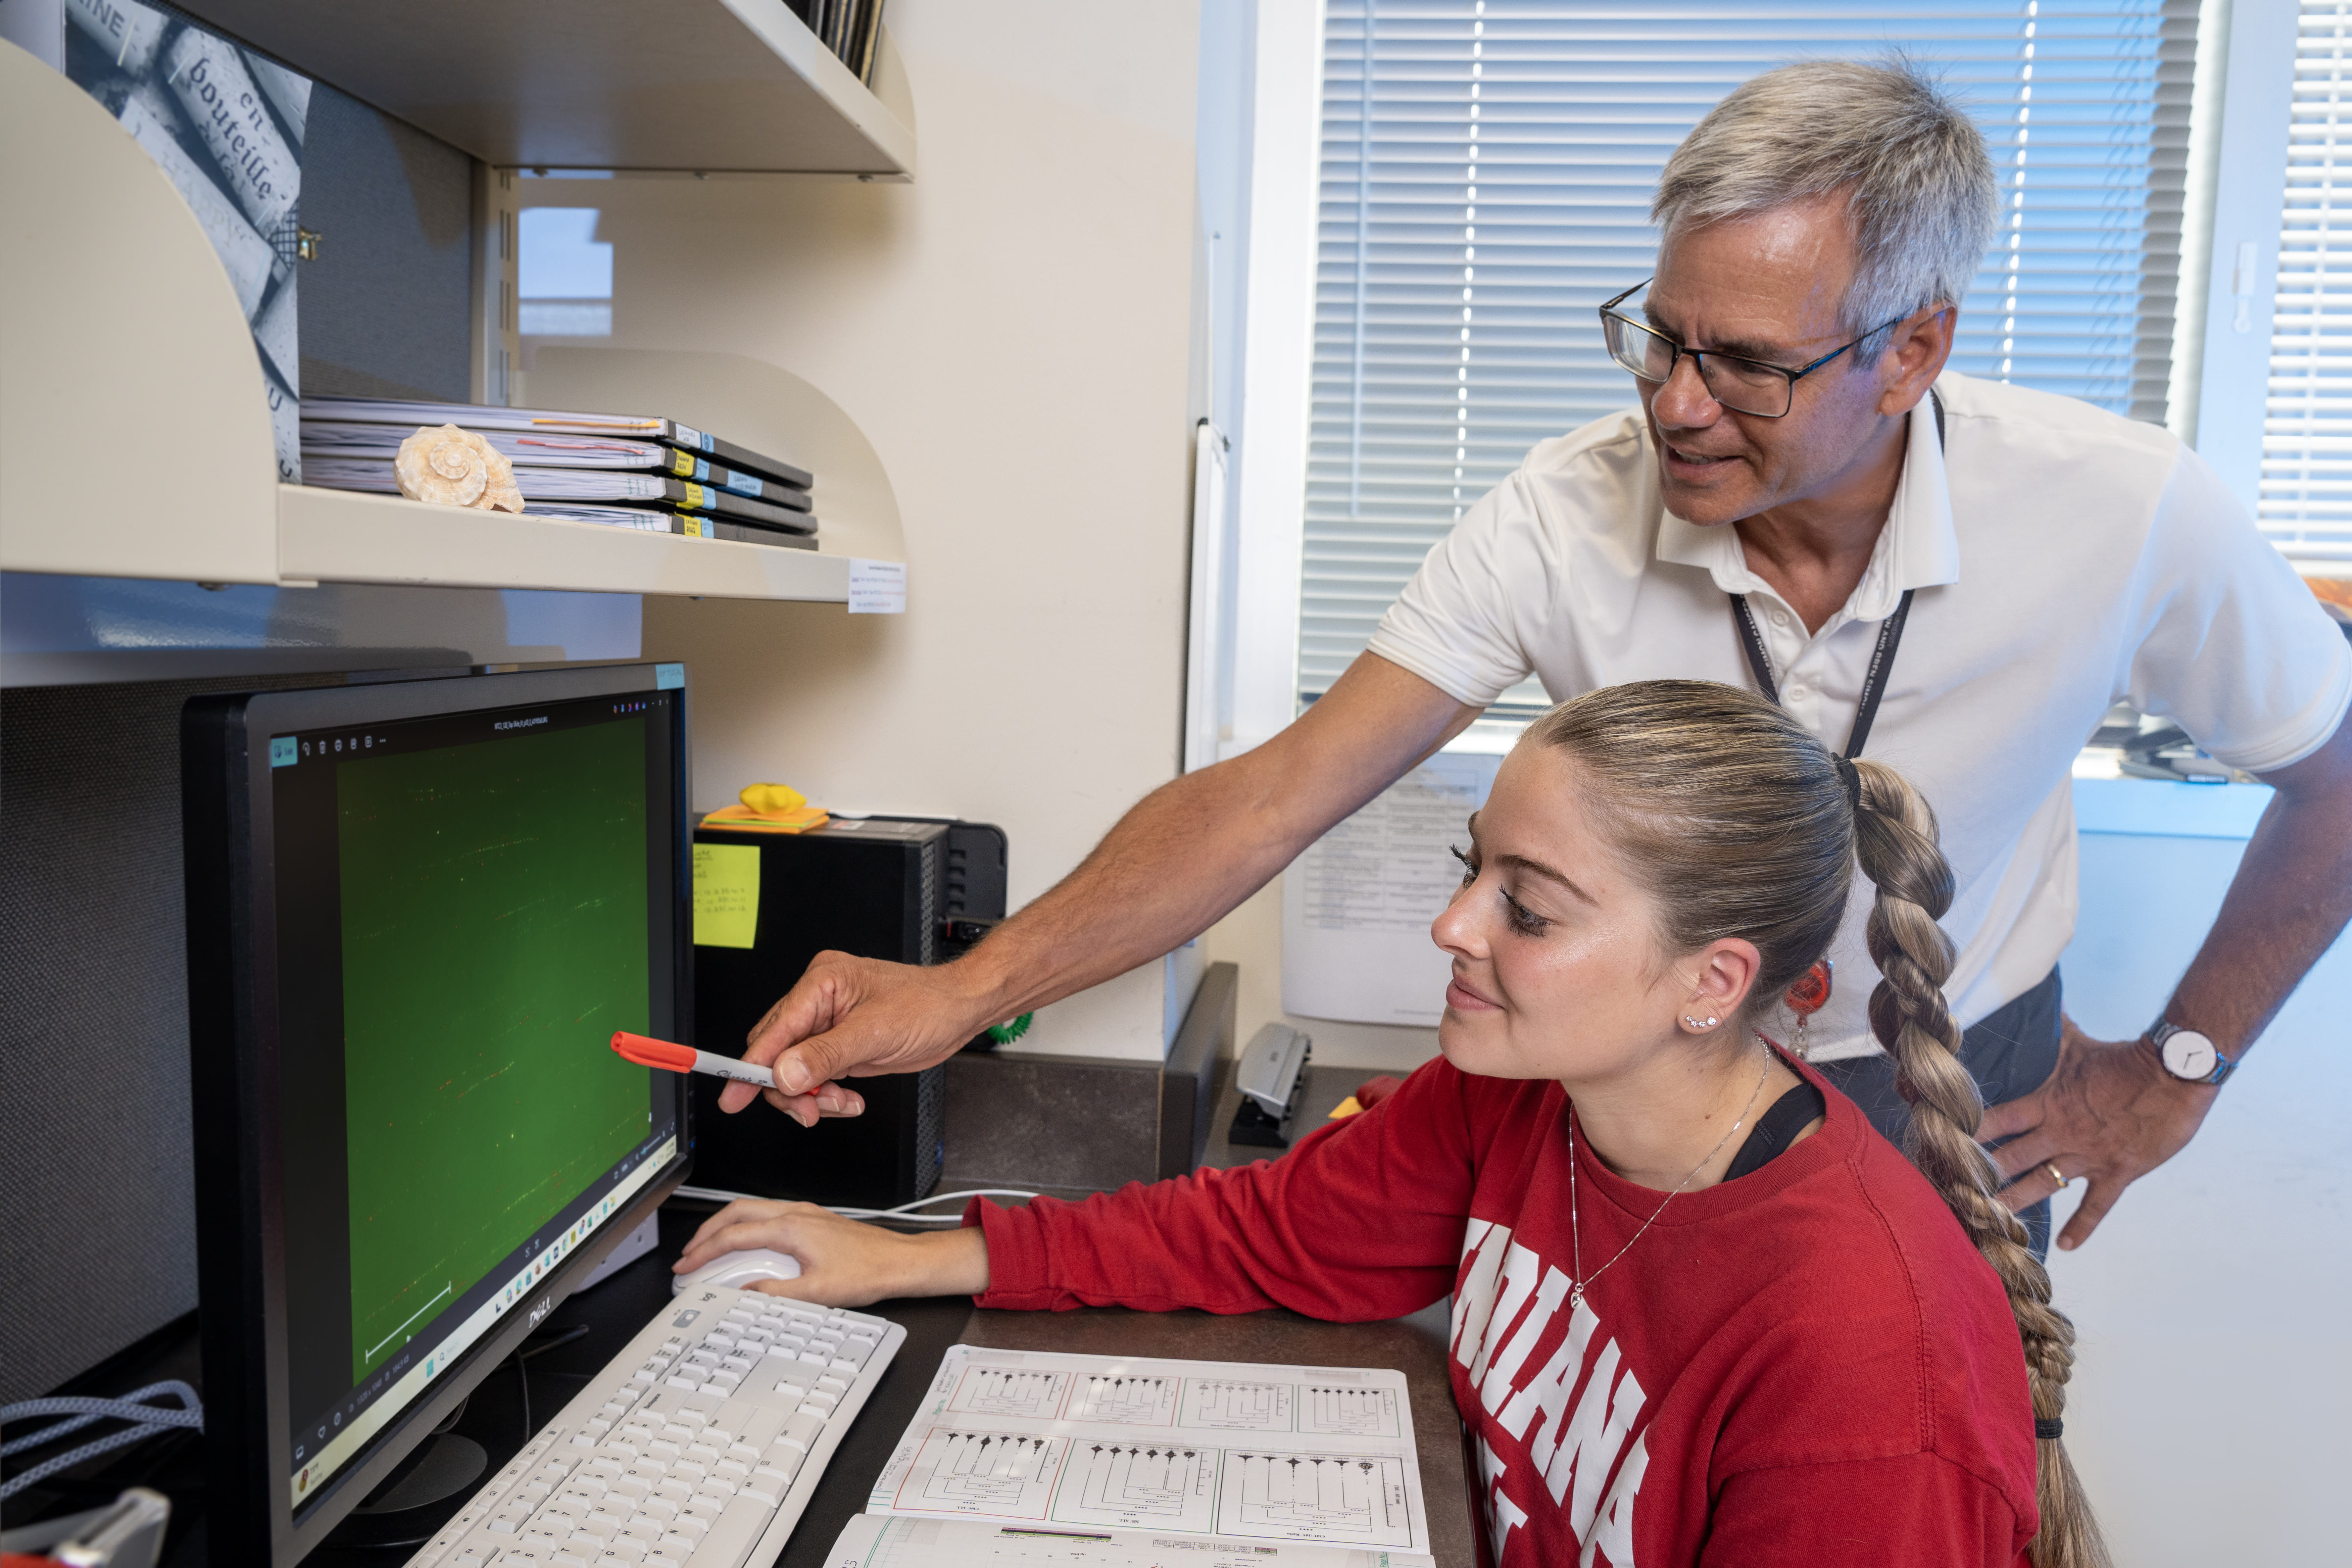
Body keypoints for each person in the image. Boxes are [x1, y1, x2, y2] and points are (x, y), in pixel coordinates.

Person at [727, 60, 2352, 1256]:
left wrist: (2180, 1069)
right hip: (1642, 1088)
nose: (1674, 404)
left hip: (1945, 1076)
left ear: (1913, 347)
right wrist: (960, 994)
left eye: (1747, 364)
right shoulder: (1565, 511)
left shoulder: (2126, 507)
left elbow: (2334, 769)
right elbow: (1276, 795)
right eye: (1658, 335)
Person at [679, 682, 2108, 1568]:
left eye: (1528, 909)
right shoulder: (1512, 1100)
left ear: (1712, 982)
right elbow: (1256, 1234)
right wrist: (903, 1256)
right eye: (1471, 867)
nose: (1454, 924)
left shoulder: (1868, 1378)